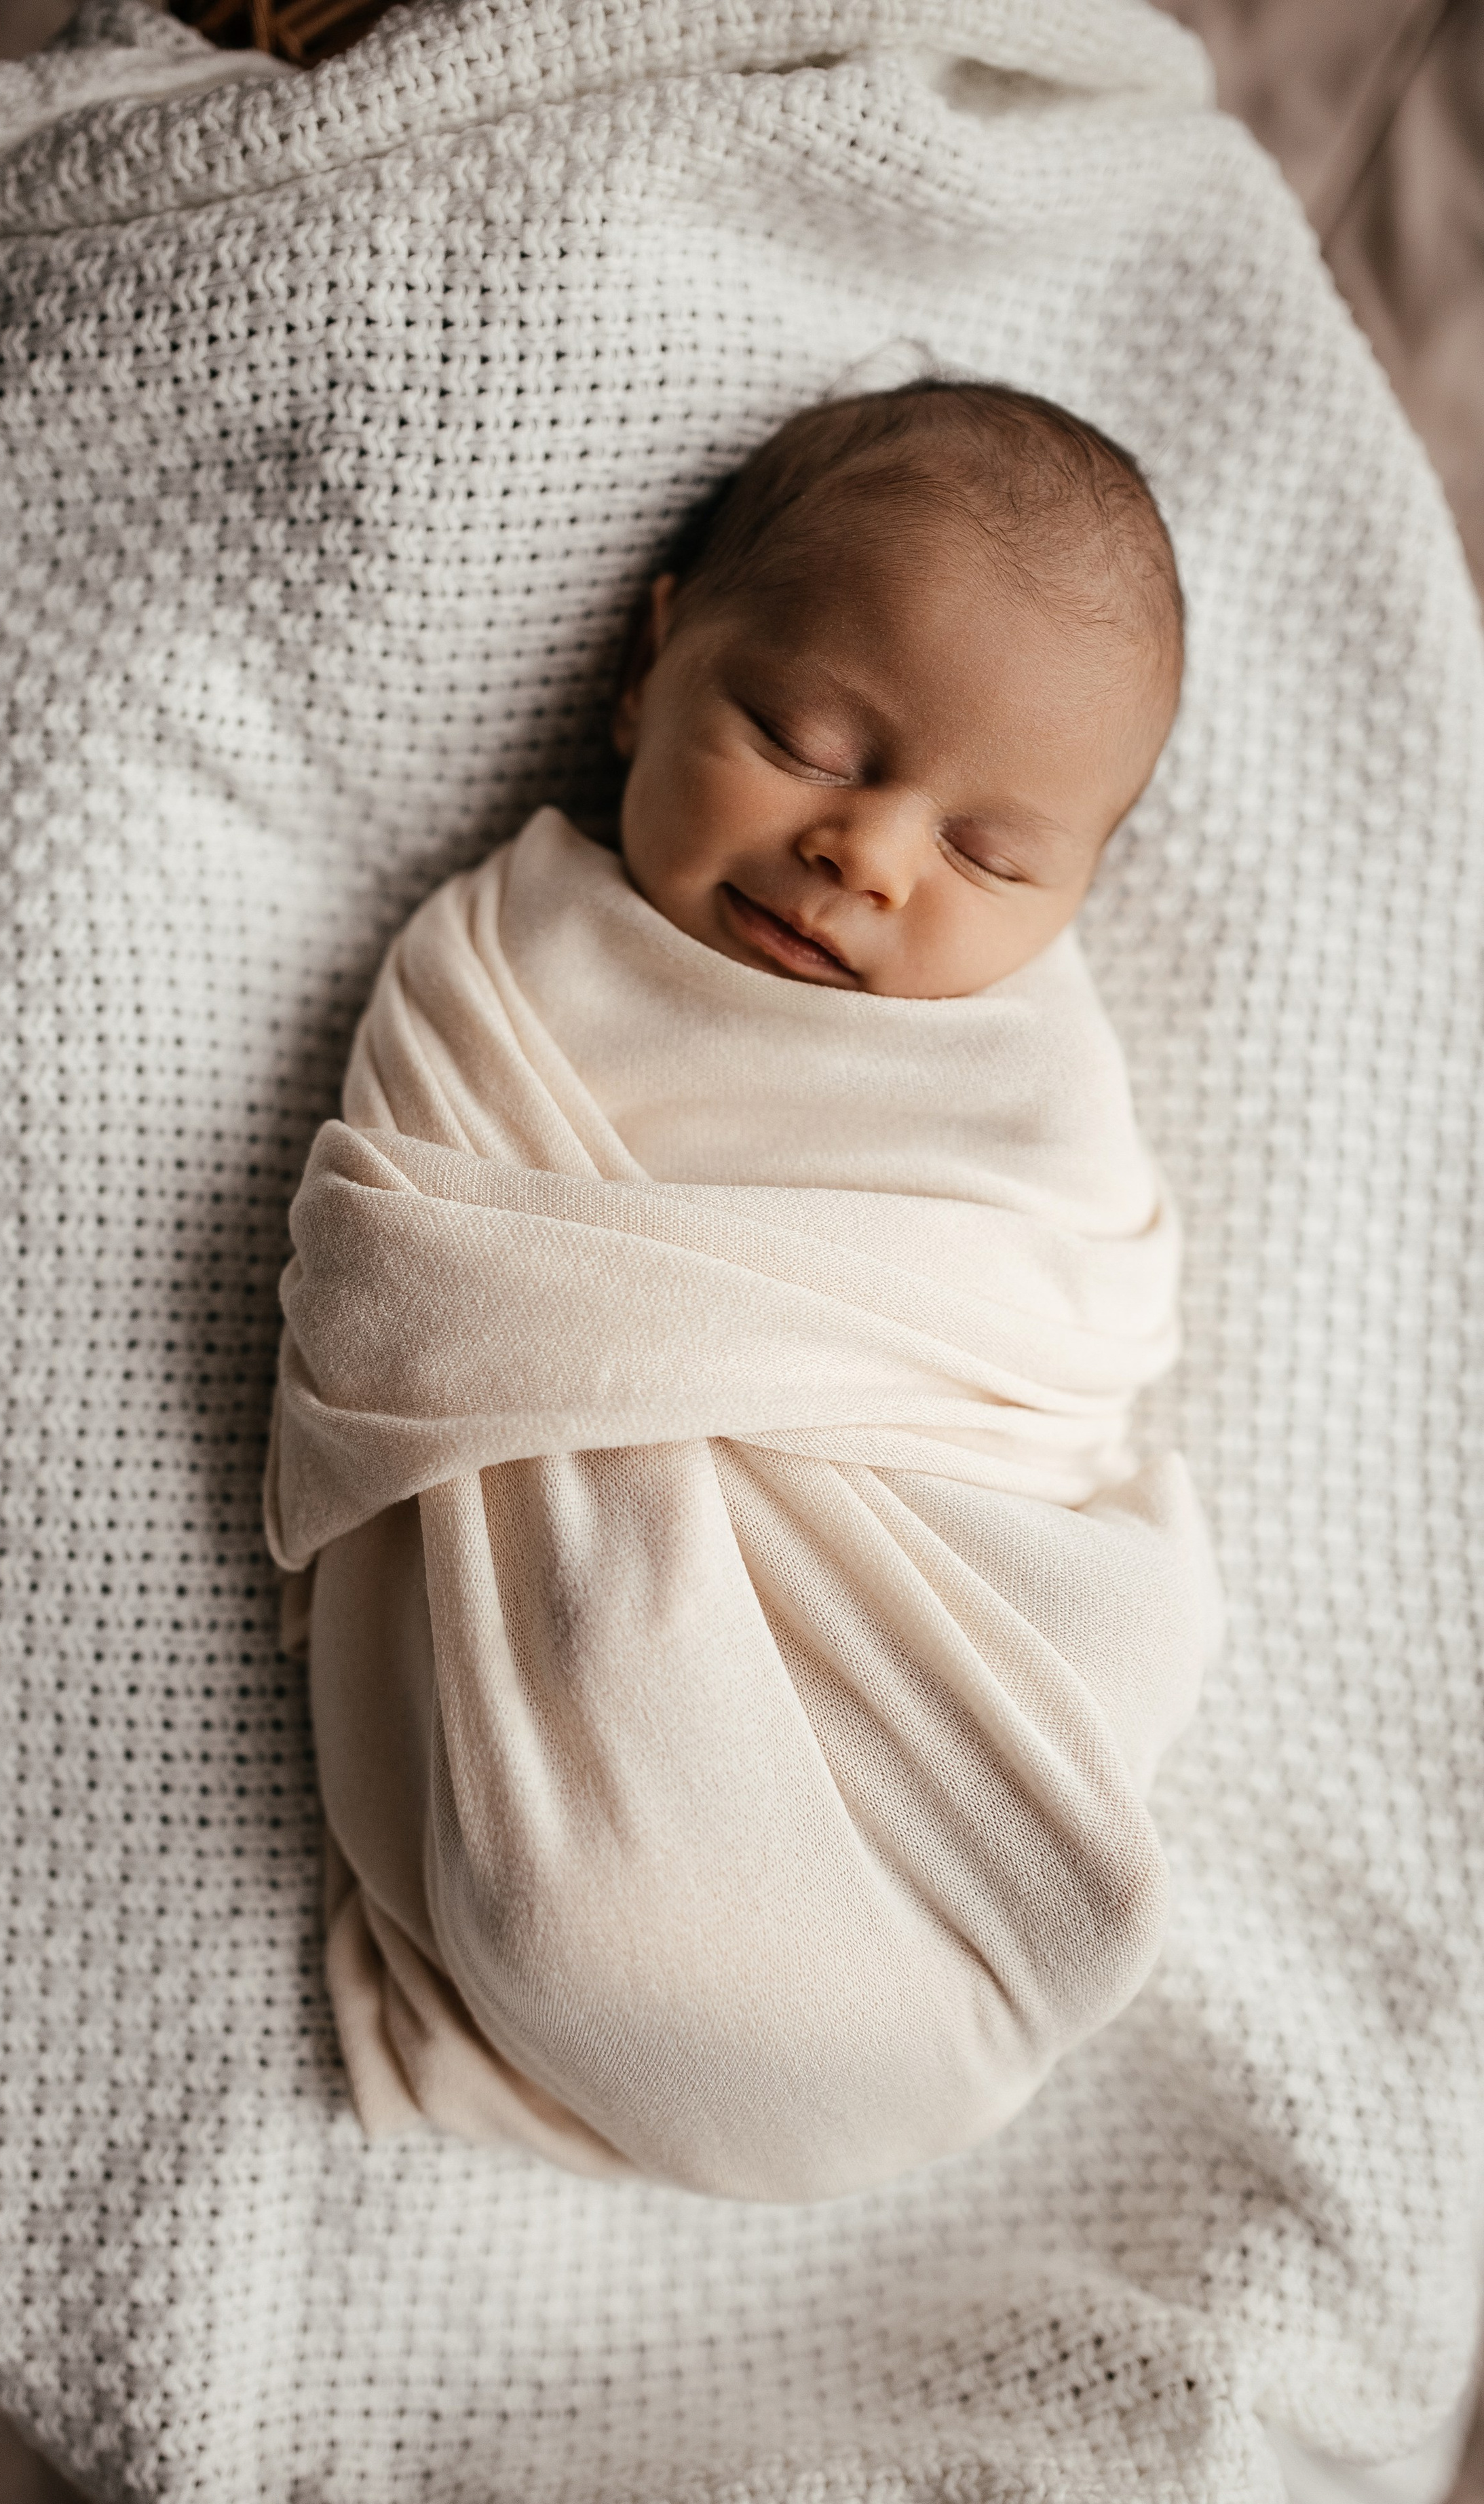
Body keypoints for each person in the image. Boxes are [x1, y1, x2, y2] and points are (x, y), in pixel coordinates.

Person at [265, 381, 1223, 2202]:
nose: (865, 854)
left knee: (1132, 1638)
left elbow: (1071, 1320)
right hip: (597, 1677)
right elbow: (398, 1278)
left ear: (1076, 895)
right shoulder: (506, 963)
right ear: (652, 665)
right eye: (806, 738)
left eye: (988, 855)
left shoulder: (1027, 1078)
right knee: (557, 1900)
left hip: (931, 1607)